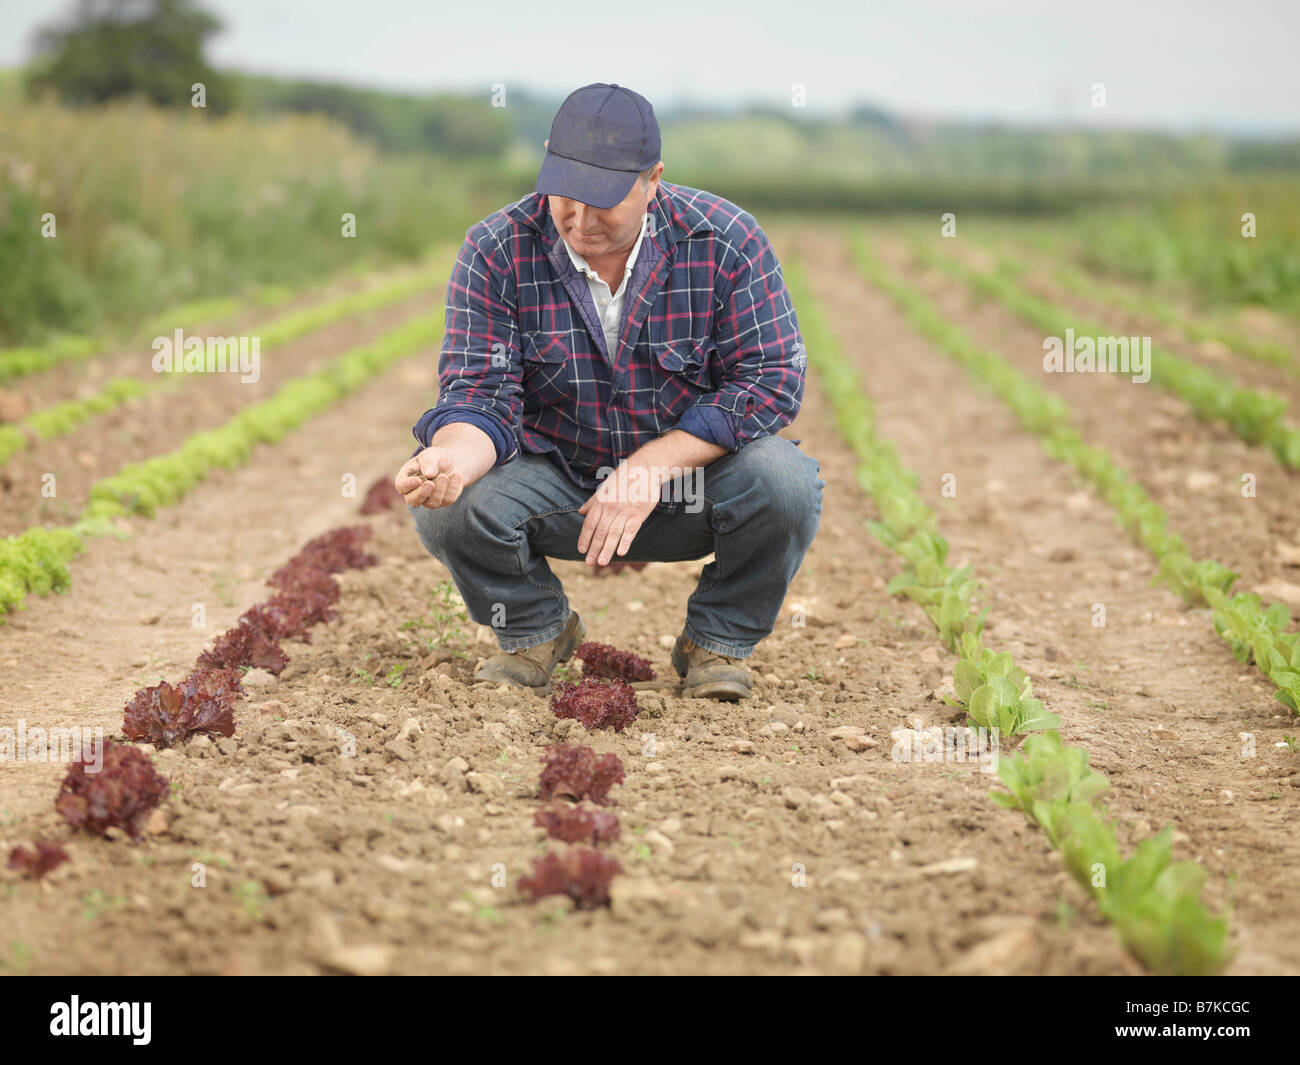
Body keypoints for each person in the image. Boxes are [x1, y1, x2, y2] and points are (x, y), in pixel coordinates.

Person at [395, 83, 822, 700]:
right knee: (452, 507)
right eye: (563, 194)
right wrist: (452, 458)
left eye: (602, 202)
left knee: (786, 482)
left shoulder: (726, 241)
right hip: (561, 487)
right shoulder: (496, 250)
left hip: (690, 489)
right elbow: (481, 393)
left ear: (652, 180)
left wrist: (652, 465)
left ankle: (717, 643)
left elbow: (771, 379)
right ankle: (535, 631)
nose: (579, 218)